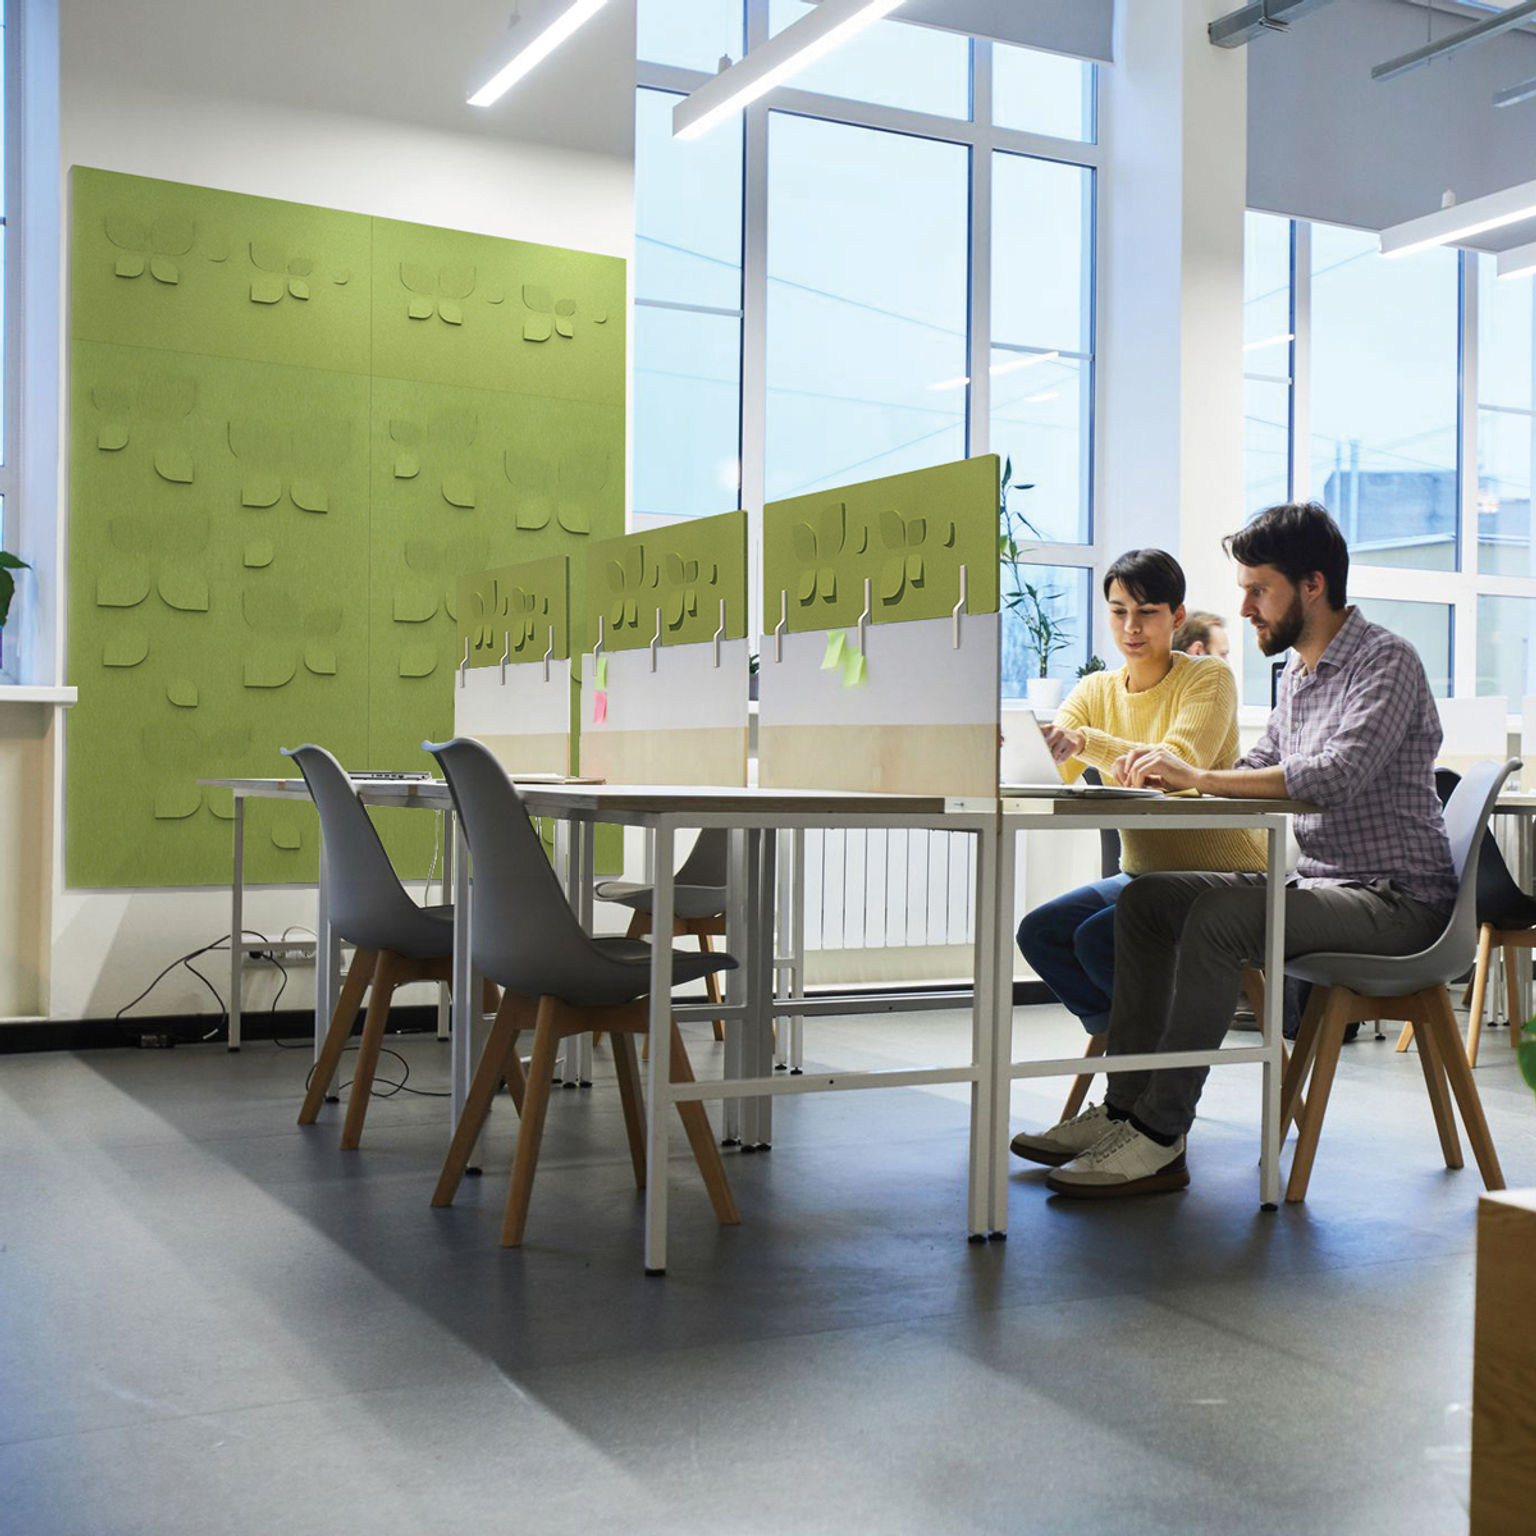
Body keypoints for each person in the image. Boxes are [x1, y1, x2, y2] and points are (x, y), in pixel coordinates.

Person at [1012, 502, 1455, 1198]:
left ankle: (1161, 1136)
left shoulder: (1385, 660)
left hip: (1398, 900)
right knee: (1151, 901)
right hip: (1321, 886)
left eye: (1258, 588)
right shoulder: (1302, 677)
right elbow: (1258, 764)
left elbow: (1332, 776)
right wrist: (1183, 777)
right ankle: (1124, 1108)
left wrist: (1197, 775)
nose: (1243, 605)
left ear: (1311, 585)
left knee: (1215, 920)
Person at [1012, 550, 1264, 1115]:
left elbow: (1174, 766)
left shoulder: (1208, 677)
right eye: (1118, 610)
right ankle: (1136, 1050)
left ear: (1176, 618)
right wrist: (1032, 750)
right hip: (1146, 874)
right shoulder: (1097, 688)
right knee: (1043, 933)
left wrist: (1088, 743)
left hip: (1229, 872)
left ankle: (1145, 1072)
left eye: (1146, 612)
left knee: (1099, 939)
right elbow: (1061, 767)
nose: (1130, 627)